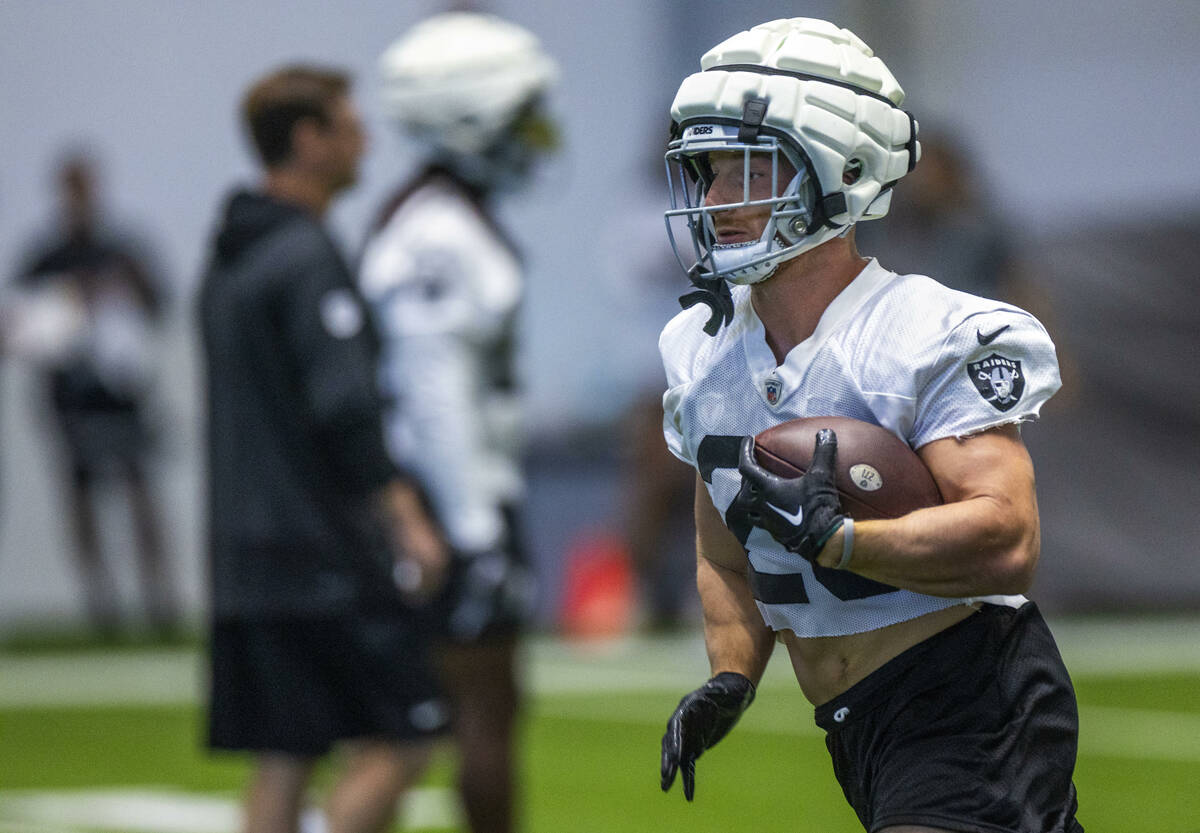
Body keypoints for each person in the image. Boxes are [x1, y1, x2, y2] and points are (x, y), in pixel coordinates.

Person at [655, 18, 1083, 833]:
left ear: (840, 170)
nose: (715, 201)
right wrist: (731, 677)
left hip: (969, 697)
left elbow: (1008, 539)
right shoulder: (699, 351)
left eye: (747, 169)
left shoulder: (924, 331)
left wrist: (849, 542)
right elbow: (726, 556)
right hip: (856, 725)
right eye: (708, 174)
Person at [197, 65, 449, 833]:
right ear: (309, 140)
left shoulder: (228, 258)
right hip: (320, 554)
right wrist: (405, 515)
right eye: (347, 124)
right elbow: (344, 409)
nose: (364, 138)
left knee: (285, 752)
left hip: (245, 553)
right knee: (406, 738)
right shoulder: (305, 255)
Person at [357, 13, 557, 833]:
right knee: (466, 717)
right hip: (453, 504)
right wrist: (474, 534)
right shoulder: (438, 233)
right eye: (522, 113)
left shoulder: (440, 216)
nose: (538, 134)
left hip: (455, 497)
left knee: (465, 714)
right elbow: (433, 392)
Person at [9, 153, 175, 637]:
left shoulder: (121, 248)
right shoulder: (47, 256)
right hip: (71, 397)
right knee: (81, 499)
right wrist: (67, 299)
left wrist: (121, 287)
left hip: (122, 393)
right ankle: (103, 607)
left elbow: (158, 303)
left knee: (141, 493)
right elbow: (20, 322)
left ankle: (158, 602)